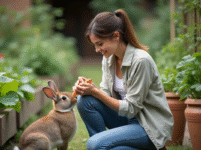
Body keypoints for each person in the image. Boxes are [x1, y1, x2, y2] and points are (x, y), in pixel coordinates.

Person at [73, 9, 174, 150]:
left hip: (147, 126)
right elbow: (106, 95)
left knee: (94, 144)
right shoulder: (109, 59)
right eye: (95, 45)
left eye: (100, 44)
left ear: (115, 36)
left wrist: (96, 92)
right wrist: (88, 89)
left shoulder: (141, 61)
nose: (97, 49)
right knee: (84, 101)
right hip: (126, 120)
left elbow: (132, 108)